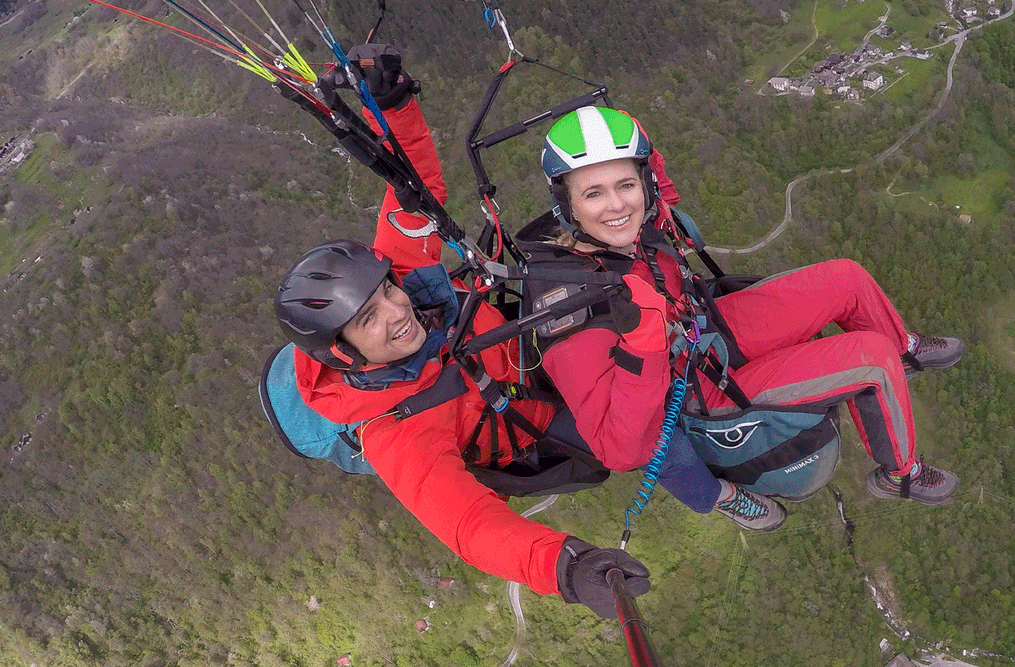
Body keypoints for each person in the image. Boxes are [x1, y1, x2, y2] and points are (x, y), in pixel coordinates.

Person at [521, 106, 965, 529]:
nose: (617, 206)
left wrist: (644, 147)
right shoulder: (572, 310)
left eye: (626, 185)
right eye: (593, 193)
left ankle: (902, 353)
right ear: (568, 205)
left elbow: (661, 193)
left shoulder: (638, 227)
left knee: (846, 279)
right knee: (870, 356)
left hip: (707, 329)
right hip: (697, 389)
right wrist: (644, 344)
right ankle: (900, 473)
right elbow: (618, 448)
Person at [274, 240, 649, 618]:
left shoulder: (412, 280)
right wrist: (568, 567)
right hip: (537, 421)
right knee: (639, 440)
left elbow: (409, 204)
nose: (399, 310)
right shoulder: (396, 433)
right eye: (368, 318)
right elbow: (470, 524)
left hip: (533, 351)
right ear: (343, 352)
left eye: (388, 289)